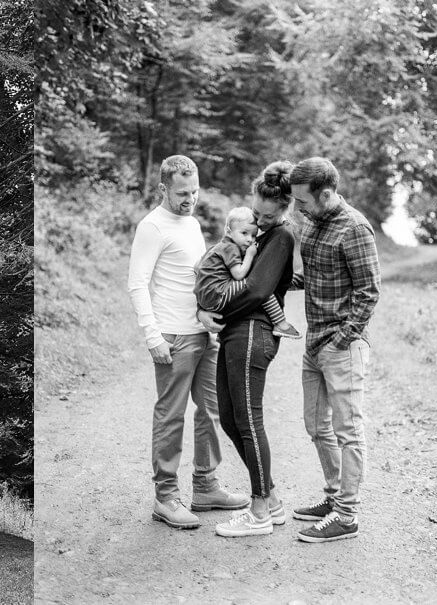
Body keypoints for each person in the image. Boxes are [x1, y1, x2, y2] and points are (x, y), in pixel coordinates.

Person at [127, 154, 250, 530]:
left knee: (212, 410)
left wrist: (207, 314)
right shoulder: (152, 227)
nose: (190, 198)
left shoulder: (192, 224)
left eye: (194, 191)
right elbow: (137, 283)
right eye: (182, 192)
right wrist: (152, 336)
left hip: (202, 333)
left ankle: (206, 485)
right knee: (171, 415)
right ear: (163, 188)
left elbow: (196, 280)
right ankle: (165, 497)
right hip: (172, 338)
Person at [197, 161, 297, 538]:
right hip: (235, 332)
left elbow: (256, 290)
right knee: (228, 416)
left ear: (285, 209)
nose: (259, 220)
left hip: (254, 332)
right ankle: (270, 500)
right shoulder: (258, 234)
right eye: (255, 213)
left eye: (267, 215)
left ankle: (259, 512)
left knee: (249, 420)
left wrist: (215, 310)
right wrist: (204, 311)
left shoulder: (282, 235)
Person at [288, 157, 380, 543]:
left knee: (347, 430)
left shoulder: (355, 228)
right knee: (316, 426)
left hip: (342, 346)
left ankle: (347, 514)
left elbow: (369, 291)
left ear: (326, 194)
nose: (297, 208)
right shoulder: (313, 221)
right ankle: (333, 497)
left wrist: (343, 338)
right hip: (315, 342)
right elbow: (315, 276)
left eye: (303, 201)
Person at [194, 206, 301, 339]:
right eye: (244, 233)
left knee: (257, 285)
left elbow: (196, 267)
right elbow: (238, 274)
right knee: (261, 286)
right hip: (217, 294)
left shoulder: (216, 248)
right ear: (228, 231)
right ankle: (281, 324)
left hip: (205, 299)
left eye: (253, 235)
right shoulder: (230, 248)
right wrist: (250, 254)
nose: (250, 239)